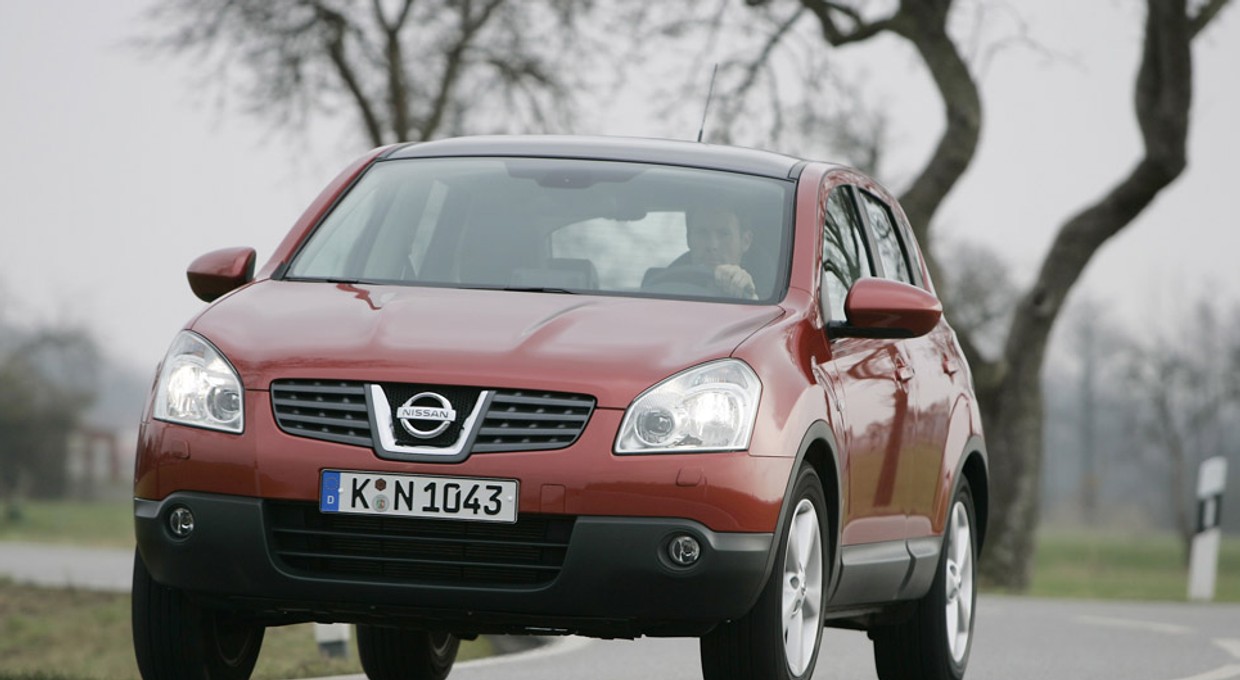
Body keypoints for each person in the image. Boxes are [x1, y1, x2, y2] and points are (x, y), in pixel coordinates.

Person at [683, 205, 758, 299]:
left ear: (745, 241)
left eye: (724, 234)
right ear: (688, 239)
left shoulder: (771, 296)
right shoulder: (666, 287)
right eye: (702, 233)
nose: (712, 245)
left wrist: (751, 298)